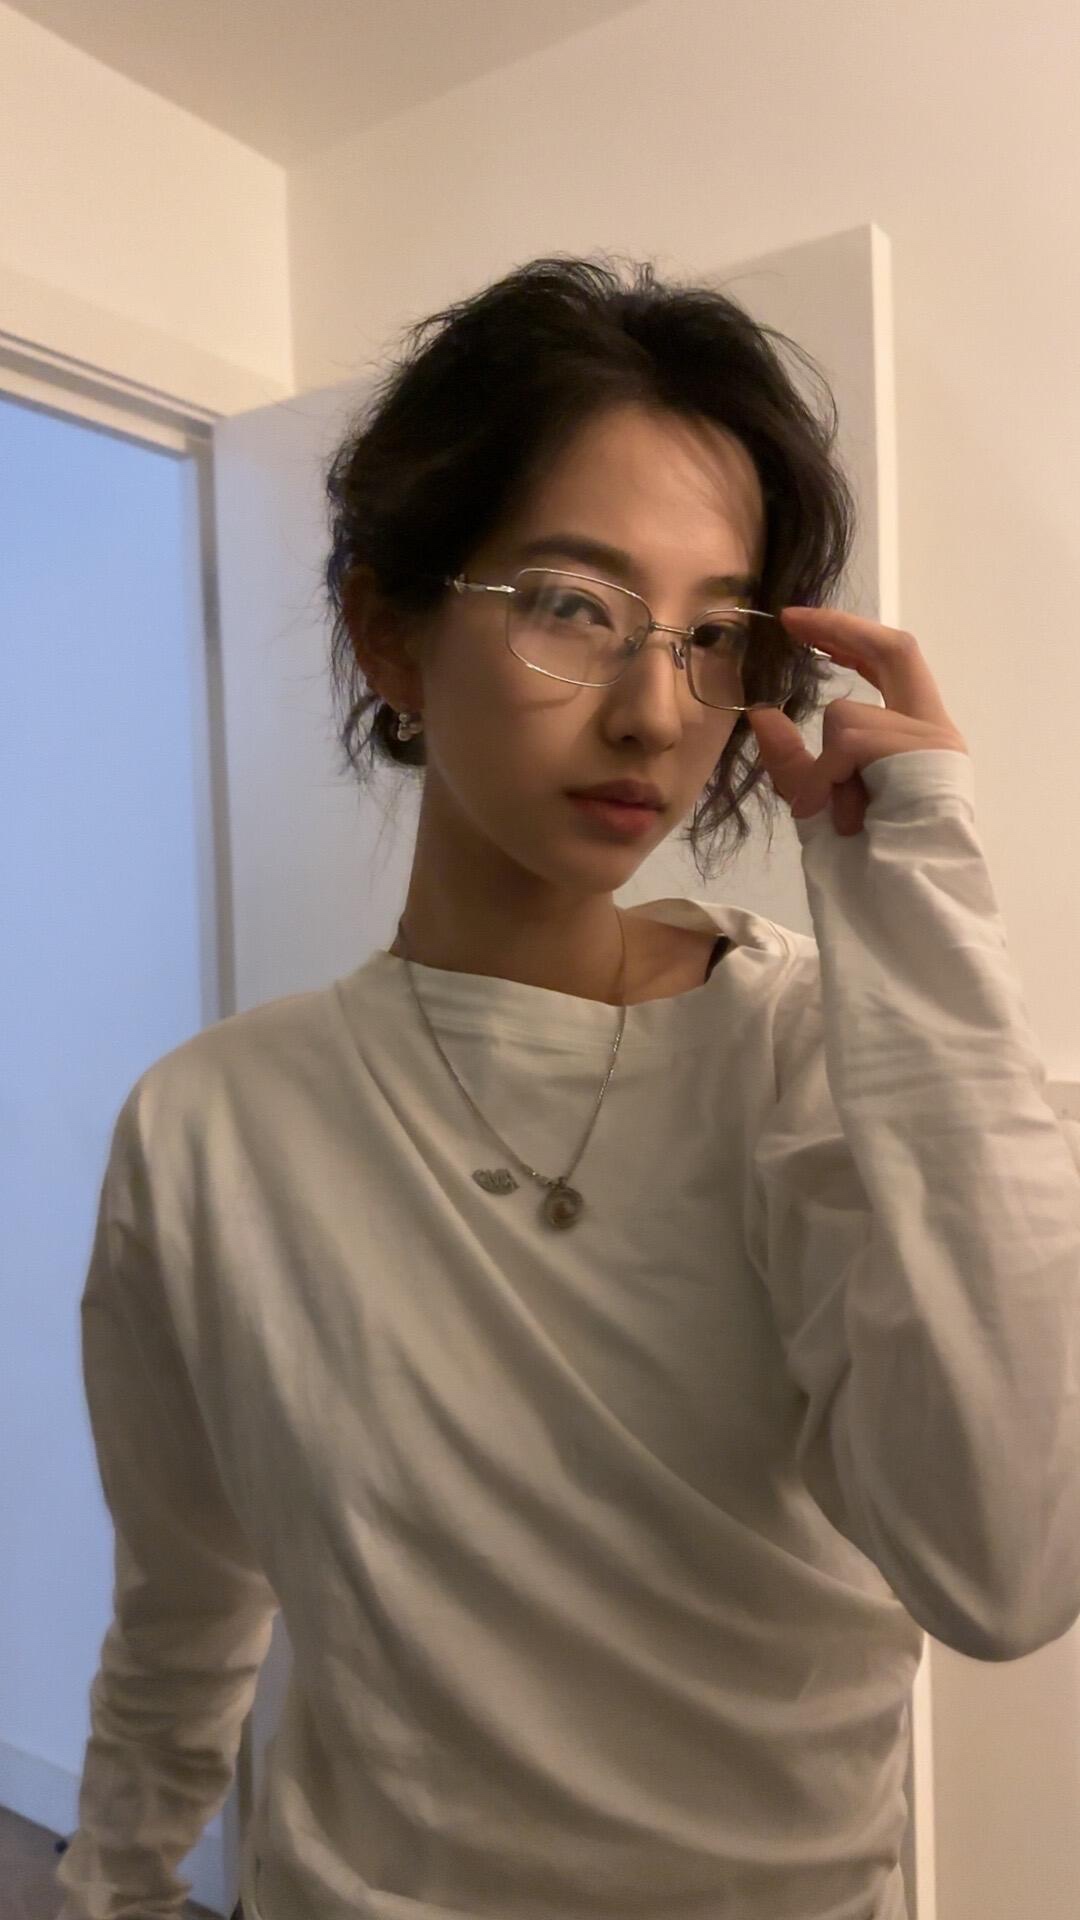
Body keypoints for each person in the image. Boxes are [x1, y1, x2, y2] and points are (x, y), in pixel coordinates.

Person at [57, 254, 1080, 1920]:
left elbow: (1008, 1567)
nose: (655, 711)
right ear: (388, 632)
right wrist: (112, 1884)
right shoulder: (209, 1128)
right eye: (570, 605)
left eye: (715, 635)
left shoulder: (824, 1061)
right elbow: (186, 1601)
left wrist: (925, 932)